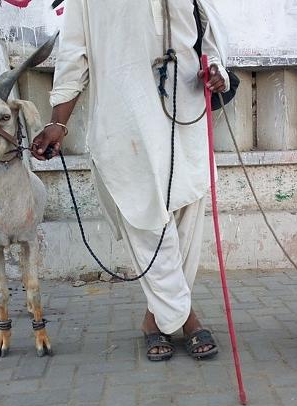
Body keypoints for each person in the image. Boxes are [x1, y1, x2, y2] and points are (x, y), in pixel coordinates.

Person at [31, 0, 230, 361]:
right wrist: (58, 122)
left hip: (185, 108)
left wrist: (216, 68)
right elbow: (74, 53)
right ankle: (186, 320)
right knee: (146, 217)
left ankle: (156, 320)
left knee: (187, 212)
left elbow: (209, 30)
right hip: (124, 116)